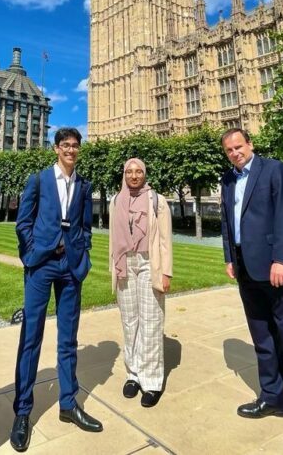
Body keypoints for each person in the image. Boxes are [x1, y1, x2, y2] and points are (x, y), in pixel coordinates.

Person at [219, 128, 283, 452]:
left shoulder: (274, 169)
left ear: (250, 145)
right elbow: (227, 222)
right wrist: (229, 258)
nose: (235, 153)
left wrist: (281, 259)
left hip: (276, 269)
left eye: (239, 147)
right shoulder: (228, 180)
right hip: (246, 269)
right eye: (229, 150)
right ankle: (273, 396)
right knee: (263, 339)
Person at [9, 127, 102, 452]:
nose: (71, 150)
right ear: (56, 148)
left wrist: (83, 255)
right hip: (42, 265)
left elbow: (86, 226)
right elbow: (23, 222)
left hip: (71, 267)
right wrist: (32, 254)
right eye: (66, 145)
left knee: (68, 339)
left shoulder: (84, 185)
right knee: (31, 338)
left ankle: (68, 403)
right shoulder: (39, 180)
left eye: (76, 146)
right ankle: (22, 412)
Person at [109, 158, 173, 407]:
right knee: (129, 322)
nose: (134, 176)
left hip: (150, 263)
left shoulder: (157, 201)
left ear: (144, 175)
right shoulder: (116, 200)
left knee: (151, 321)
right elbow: (114, 238)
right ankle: (133, 374)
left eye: (138, 172)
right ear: (124, 175)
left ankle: (152, 381)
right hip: (125, 263)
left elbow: (166, 239)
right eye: (129, 172)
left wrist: (166, 272)